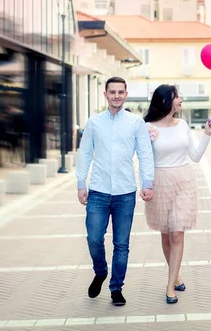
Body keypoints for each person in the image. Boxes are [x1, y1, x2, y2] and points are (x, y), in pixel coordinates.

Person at [76, 76, 155, 306]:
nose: (117, 96)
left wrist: (147, 182)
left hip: (125, 192)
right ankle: (100, 272)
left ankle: (116, 288)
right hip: (98, 191)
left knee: (121, 244)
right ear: (106, 94)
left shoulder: (135, 122)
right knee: (93, 238)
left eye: (121, 92)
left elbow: (145, 154)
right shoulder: (94, 123)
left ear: (126, 94)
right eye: (113, 92)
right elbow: (84, 154)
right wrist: (81, 183)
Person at [143, 84, 211, 304]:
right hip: (160, 182)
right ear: (166, 101)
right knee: (166, 234)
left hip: (184, 180)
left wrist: (206, 134)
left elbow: (195, 156)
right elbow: (144, 160)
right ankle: (176, 275)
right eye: (177, 96)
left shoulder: (183, 124)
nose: (181, 99)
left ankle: (169, 286)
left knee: (177, 233)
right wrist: (144, 184)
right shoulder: (147, 127)